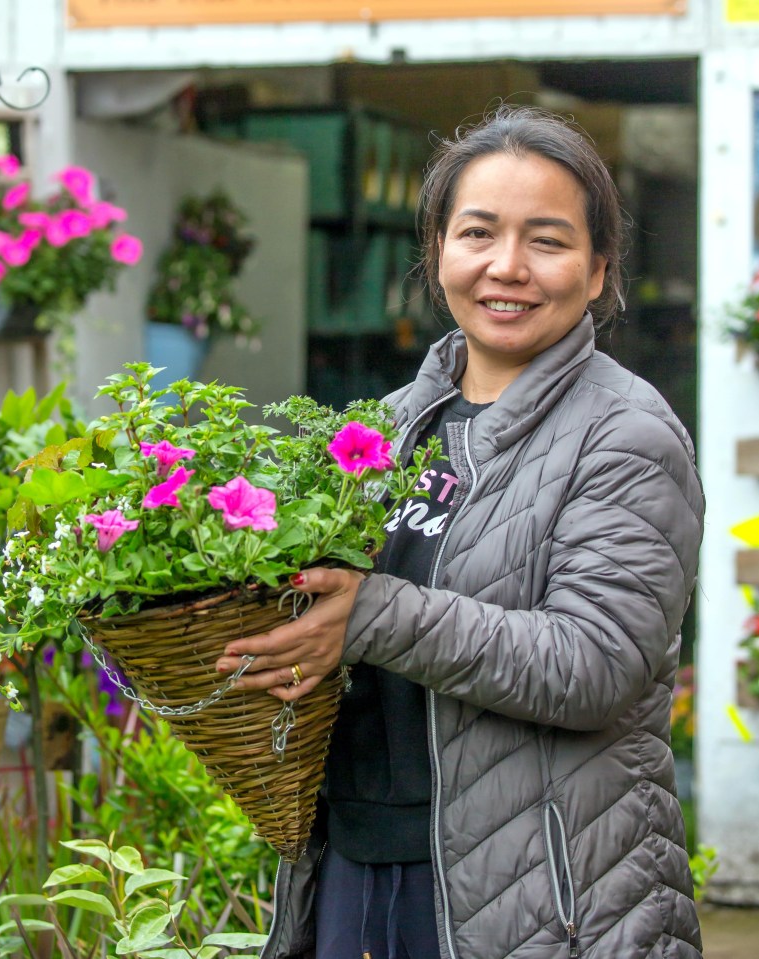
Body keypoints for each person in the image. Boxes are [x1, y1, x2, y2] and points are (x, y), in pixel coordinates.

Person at [216, 105, 705, 959]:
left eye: (547, 241)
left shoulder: (625, 433)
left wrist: (368, 613)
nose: (506, 267)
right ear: (438, 248)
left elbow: (592, 665)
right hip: (358, 872)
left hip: (543, 903)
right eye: (477, 232)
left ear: (597, 270)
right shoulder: (392, 425)